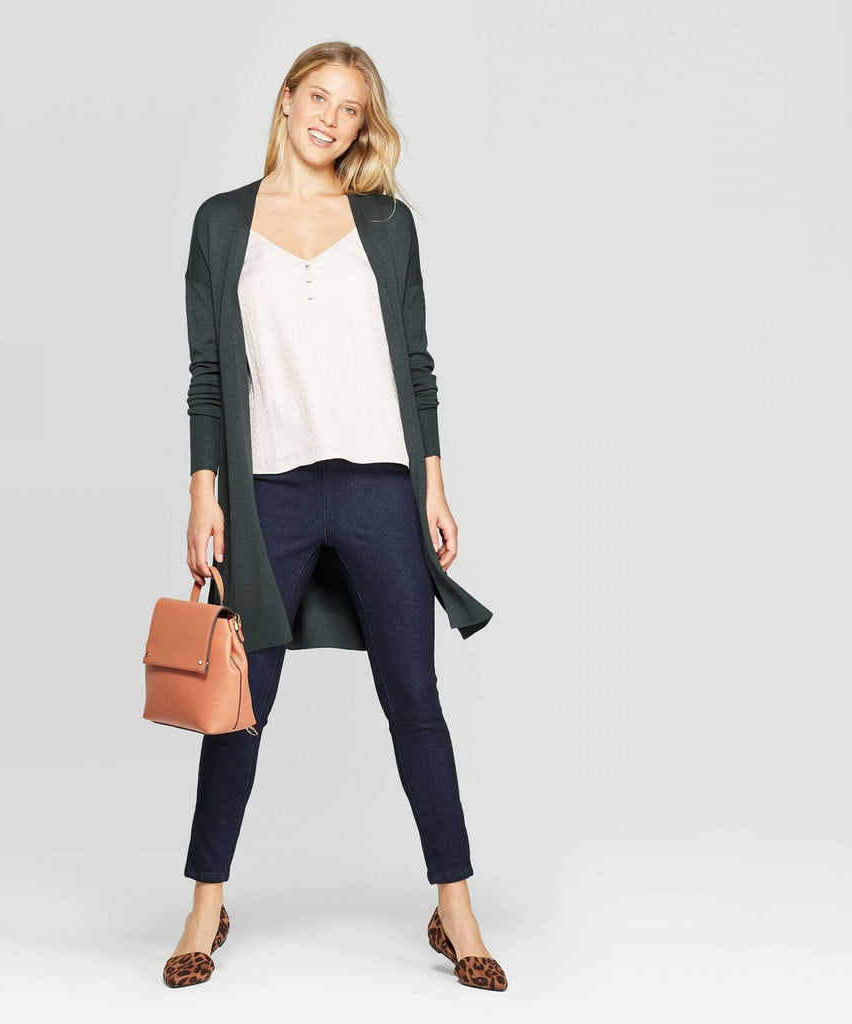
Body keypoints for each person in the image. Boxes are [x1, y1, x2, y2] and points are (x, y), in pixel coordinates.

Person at [163, 41, 507, 992]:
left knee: (415, 701)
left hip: (377, 487)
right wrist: (203, 495)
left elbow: (417, 365)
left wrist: (432, 484)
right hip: (268, 492)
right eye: (319, 97)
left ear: (363, 125)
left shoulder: (386, 224)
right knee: (241, 708)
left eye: (351, 108)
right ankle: (203, 906)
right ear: (286, 100)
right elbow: (207, 376)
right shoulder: (223, 222)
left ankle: (455, 910)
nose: (331, 118)